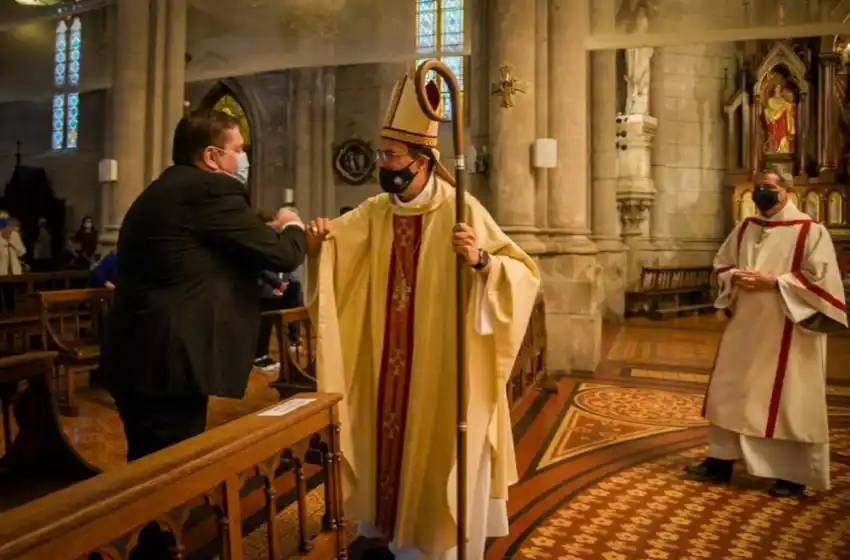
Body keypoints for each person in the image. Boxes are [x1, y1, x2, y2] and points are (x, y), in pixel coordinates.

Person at [304, 75, 541, 559]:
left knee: (438, 455)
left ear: (422, 161)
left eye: (390, 156)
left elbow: (523, 274)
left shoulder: (461, 209)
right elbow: (335, 248)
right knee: (385, 444)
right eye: (381, 154)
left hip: (442, 370)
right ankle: (389, 533)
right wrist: (317, 242)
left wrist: (482, 262)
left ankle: (435, 547)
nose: (382, 165)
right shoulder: (376, 211)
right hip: (386, 371)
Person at [99, 109, 307, 462]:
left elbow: (212, 252)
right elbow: (283, 254)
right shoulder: (210, 189)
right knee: (170, 467)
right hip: (167, 363)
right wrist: (292, 224)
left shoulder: (169, 187)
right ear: (212, 155)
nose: (243, 158)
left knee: (150, 462)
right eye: (238, 149)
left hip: (144, 354)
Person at [686, 170, 847, 497]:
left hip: (790, 328)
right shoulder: (746, 227)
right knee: (731, 391)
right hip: (745, 326)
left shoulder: (809, 230)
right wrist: (734, 277)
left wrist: (775, 282)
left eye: (769, 187)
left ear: (787, 190)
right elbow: (722, 263)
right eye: (758, 187)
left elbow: (823, 279)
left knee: (789, 399)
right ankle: (720, 461)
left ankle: (790, 475)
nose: (762, 192)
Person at [253, 208, 304, 372]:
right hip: (263, 288)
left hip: (273, 288)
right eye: (273, 222)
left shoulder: (270, 237)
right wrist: (277, 283)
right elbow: (262, 266)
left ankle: (264, 354)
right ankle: (259, 357)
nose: (277, 225)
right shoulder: (260, 238)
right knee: (262, 326)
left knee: (270, 324)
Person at [0, 210, 27, 312]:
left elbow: (21, 252)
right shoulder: (13, 234)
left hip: (11, 268)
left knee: (9, 290)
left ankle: (10, 312)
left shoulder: (15, 235)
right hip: (2, 267)